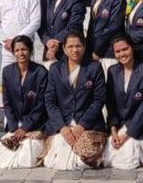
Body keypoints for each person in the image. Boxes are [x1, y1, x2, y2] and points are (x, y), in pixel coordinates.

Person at [43, 33, 108, 170]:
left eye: (78, 46)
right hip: (63, 125)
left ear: (84, 47)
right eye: (70, 46)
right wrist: (62, 127)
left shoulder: (94, 67)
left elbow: (99, 100)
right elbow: (50, 101)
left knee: (83, 160)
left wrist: (82, 125)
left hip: (88, 125)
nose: (74, 50)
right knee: (54, 159)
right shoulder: (55, 69)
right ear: (64, 49)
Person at [0, 36, 48, 169]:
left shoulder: (41, 72)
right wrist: (14, 128)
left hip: (35, 125)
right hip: (15, 126)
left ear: (30, 50)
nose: (21, 53)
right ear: (13, 52)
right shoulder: (7, 72)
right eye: (17, 50)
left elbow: (41, 105)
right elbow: (7, 103)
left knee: (27, 157)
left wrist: (25, 128)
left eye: (24, 49)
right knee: (3, 157)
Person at [103, 36, 143, 169]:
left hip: (140, 126)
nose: (122, 54)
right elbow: (111, 104)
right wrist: (113, 131)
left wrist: (128, 134)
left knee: (127, 161)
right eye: (117, 51)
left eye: (125, 49)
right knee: (108, 157)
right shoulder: (112, 71)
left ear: (132, 48)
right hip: (119, 125)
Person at [41, 0, 86, 68]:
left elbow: (74, 26)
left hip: (69, 51)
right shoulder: (49, 0)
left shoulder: (76, 0)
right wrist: (47, 41)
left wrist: (54, 44)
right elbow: (42, 25)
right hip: (50, 52)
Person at [86, 0, 126, 71]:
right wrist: (89, 47)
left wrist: (98, 50)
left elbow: (114, 26)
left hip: (109, 49)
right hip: (94, 48)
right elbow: (92, 23)